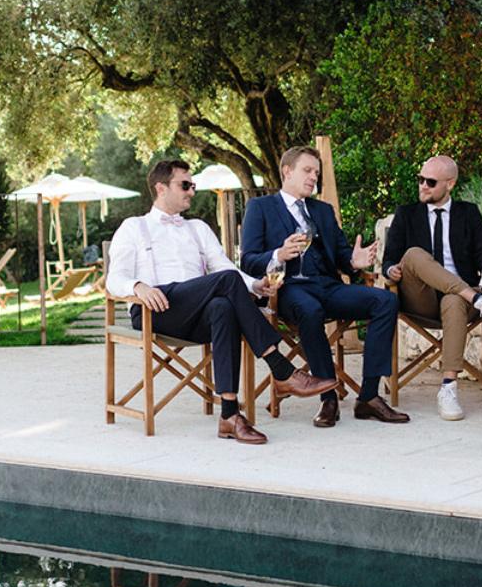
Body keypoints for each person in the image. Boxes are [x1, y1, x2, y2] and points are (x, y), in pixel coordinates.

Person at [106, 159, 336, 445]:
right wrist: (138, 286)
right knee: (225, 282)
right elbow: (114, 279)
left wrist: (255, 285)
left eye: (193, 185)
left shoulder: (198, 228)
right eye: (185, 185)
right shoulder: (134, 227)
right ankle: (281, 368)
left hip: (197, 312)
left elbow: (225, 267)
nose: (192, 191)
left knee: (223, 307)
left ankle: (229, 415)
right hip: (156, 311)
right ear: (161, 188)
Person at [239, 146, 405, 428]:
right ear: (287, 171)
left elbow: (342, 256)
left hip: (328, 286)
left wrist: (355, 260)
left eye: (316, 172)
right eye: (307, 170)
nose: (313, 177)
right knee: (310, 309)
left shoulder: (323, 211)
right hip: (288, 290)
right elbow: (248, 260)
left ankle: (368, 397)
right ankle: (328, 397)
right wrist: (278, 254)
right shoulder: (262, 208)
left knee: (385, 301)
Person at [381, 154, 482, 421]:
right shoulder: (407, 214)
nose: (423, 185)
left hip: (456, 303)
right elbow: (389, 260)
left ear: (450, 184)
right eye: (420, 179)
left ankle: (448, 388)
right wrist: (391, 270)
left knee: (453, 300)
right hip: (420, 297)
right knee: (412, 254)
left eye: (430, 181)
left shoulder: (468, 213)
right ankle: (470, 295)